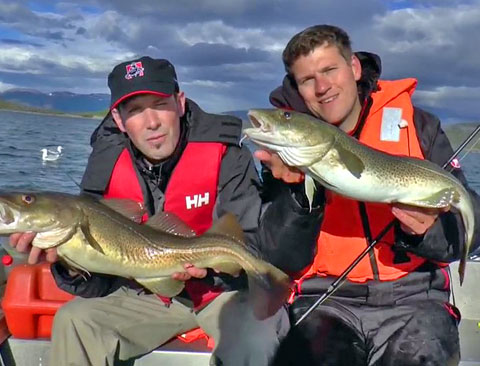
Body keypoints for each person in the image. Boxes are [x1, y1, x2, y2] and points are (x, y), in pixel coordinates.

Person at [9, 56, 324, 366]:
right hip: (148, 292)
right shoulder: (105, 162)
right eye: (135, 111)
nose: (152, 122)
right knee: (74, 320)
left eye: (160, 105)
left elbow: (251, 237)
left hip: (222, 293)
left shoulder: (225, 150)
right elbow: (101, 280)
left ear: (180, 103)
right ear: (118, 120)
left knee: (258, 337)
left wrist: (215, 269)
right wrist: (72, 267)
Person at [255, 25, 480, 365]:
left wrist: (426, 231)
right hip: (327, 301)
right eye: (306, 80)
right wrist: (298, 197)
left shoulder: (420, 128)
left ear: (355, 68)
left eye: (330, 70)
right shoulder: (286, 150)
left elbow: (472, 229)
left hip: (416, 299)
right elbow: (280, 258)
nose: (321, 88)